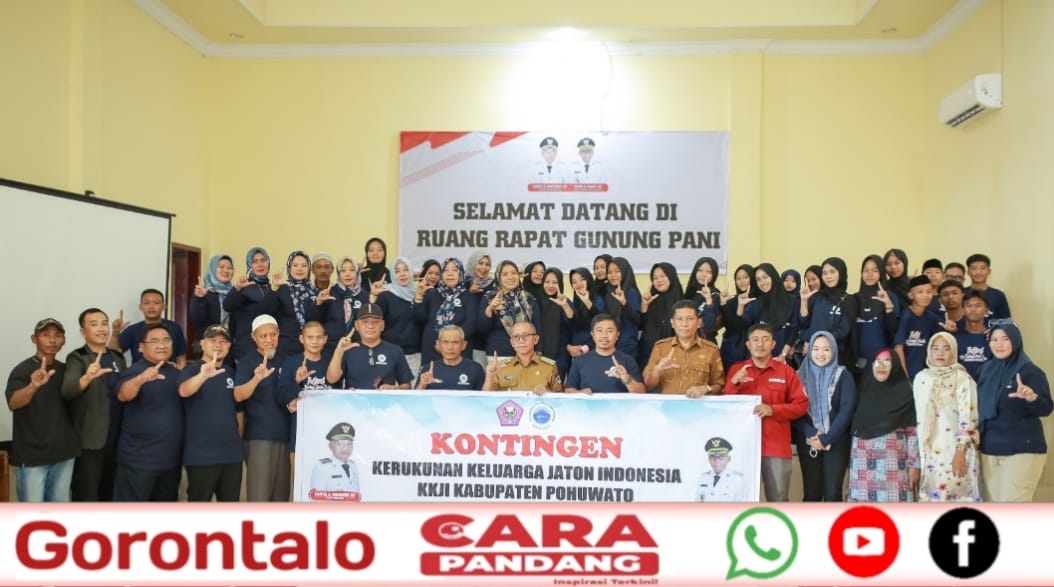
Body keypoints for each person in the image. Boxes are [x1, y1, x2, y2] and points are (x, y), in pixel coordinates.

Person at [724, 324, 809, 502]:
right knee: (739, 498)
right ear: (748, 344)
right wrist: (733, 384)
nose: (760, 344)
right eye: (755, 340)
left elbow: (801, 405)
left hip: (776, 447)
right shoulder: (737, 371)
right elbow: (726, 408)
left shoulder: (786, 372)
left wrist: (773, 410)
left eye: (765, 339)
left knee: (778, 499)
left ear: (773, 344)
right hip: (743, 448)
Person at [977, 320, 1052, 502]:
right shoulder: (985, 370)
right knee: (993, 509)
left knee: (1013, 507)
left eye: (1005, 338)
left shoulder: (1029, 371)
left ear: (1015, 340)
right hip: (989, 450)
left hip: (1021, 449)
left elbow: (1046, 408)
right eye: (994, 339)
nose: (999, 344)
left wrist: (1032, 397)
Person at [6, 318, 80, 502]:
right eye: (45, 335)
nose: (52, 340)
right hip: (33, 457)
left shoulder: (66, 370)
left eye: (57, 335)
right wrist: (33, 386)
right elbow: (13, 403)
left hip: (64, 454)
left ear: (64, 340)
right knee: (33, 514)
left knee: (57, 512)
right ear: (34, 339)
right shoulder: (22, 370)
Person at [61, 308, 127, 501]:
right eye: (94, 324)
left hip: (118, 439)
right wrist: (87, 378)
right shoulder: (77, 357)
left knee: (110, 495)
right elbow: (67, 391)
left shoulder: (117, 357)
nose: (101, 328)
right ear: (83, 331)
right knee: (87, 497)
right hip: (90, 442)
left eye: (104, 323)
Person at [113, 323, 184, 501]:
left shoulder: (176, 372)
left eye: (166, 340)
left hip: (170, 462)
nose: (162, 345)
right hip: (139, 461)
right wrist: (142, 378)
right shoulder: (135, 371)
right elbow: (123, 395)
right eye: (154, 341)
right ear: (141, 347)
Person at [178, 324, 243, 502]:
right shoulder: (191, 370)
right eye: (212, 340)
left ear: (229, 346)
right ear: (202, 343)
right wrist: (203, 376)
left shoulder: (232, 372)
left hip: (231, 456)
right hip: (201, 456)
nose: (218, 345)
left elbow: (239, 411)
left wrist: (237, 441)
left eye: (223, 341)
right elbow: (184, 391)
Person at [913, 332, 980, 502]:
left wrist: (961, 450)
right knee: (929, 500)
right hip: (926, 452)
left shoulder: (962, 378)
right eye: (935, 348)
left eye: (946, 348)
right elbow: (916, 418)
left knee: (954, 498)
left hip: (954, 451)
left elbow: (969, 416)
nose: (940, 353)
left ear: (954, 351)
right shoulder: (921, 378)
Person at [847, 349, 919, 502]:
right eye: (877, 362)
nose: (881, 366)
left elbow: (913, 432)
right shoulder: (864, 388)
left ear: (896, 366)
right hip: (862, 464)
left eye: (887, 362)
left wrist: (914, 465)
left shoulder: (905, 393)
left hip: (894, 468)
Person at [793, 331, 857, 502]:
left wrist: (826, 439)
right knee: (812, 494)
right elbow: (795, 410)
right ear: (809, 351)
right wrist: (811, 433)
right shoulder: (798, 377)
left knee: (832, 494)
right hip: (809, 441)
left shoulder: (844, 376)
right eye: (816, 349)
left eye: (826, 349)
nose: (820, 354)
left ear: (834, 351)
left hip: (836, 441)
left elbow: (846, 411)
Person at [234, 314, 289, 502]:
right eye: (263, 336)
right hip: (259, 436)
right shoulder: (247, 362)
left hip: (285, 435)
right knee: (260, 497)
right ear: (253, 337)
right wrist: (256, 378)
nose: (269, 340)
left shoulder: (286, 359)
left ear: (278, 333)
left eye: (272, 334)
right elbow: (238, 395)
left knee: (281, 497)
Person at [276, 321, 332, 473]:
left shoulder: (330, 363)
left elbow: (337, 394)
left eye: (318, 337)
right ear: (302, 339)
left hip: (326, 436)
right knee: (299, 481)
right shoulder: (290, 363)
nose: (314, 341)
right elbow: (280, 397)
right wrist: (296, 382)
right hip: (299, 435)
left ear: (325, 339)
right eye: (310, 337)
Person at [642, 300, 724, 396]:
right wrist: (657, 371)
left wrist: (706, 388)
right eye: (679, 319)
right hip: (667, 405)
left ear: (699, 323)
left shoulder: (711, 350)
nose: (684, 324)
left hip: (698, 404)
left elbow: (719, 386)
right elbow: (648, 386)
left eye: (689, 319)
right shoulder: (660, 347)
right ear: (672, 323)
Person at [327, 303, 413, 390]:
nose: (370, 326)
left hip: (385, 399)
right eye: (365, 322)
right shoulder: (347, 350)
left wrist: (394, 388)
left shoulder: (395, 351)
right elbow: (331, 379)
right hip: (354, 399)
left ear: (382, 325)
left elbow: (407, 386)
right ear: (357, 325)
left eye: (375, 322)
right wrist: (338, 351)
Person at [797, 257, 857, 370]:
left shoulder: (849, 300)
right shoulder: (817, 297)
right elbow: (804, 324)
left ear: (841, 273)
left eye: (832, 272)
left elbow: (844, 331)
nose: (828, 276)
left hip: (836, 357)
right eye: (824, 273)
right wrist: (804, 301)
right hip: (813, 356)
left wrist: (817, 343)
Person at [417, 257, 478, 366]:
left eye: (454, 270)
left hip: (459, 351)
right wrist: (419, 297)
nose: (450, 274)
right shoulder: (431, 293)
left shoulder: (469, 297)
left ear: (461, 274)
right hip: (433, 349)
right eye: (446, 270)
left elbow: (471, 324)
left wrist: (447, 342)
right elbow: (419, 318)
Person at [564, 314, 645, 394]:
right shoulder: (580, 361)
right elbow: (568, 390)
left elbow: (642, 393)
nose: (604, 335)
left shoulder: (627, 360)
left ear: (617, 335)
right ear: (592, 334)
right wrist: (580, 393)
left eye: (609, 331)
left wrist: (626, 378)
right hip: (589, 403)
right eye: (599, 330)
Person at [224, 247, 280, 361]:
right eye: (255, 261)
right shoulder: (244, 287)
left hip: (270, 348)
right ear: (249, 264)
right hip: (246, 349)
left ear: (268, 263)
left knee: (270, 372)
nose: (260, 264)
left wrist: (274, 289)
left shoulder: (272, 287)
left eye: (263, 260)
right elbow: (228, 306)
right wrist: (237, 288)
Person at [373, 256, 424, 377]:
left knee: (412, 389)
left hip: (414, 355)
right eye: (397, 271)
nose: (402, 274)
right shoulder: (385, 295)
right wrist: (372, 296)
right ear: (392, 274)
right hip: (389, 354)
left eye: (406, 269)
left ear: (411, 272)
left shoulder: (419, 294)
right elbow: (375, 323)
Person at [111, 289, 188, 368]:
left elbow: (181, 356)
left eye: (156, 303)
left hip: (168, 373)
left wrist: (180, 373)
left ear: (164, 307)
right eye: (147, 303)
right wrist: (115, 334)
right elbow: (113, 354)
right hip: (140, 373)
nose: (151, 307)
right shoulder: (132, 330)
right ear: (140, 307)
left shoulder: (174, 328)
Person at [479, 259, 541, 359]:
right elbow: (482, 329)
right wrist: (490, 309)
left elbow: (538, 329)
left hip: (526, 355)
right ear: (498, 277)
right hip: (499, 355)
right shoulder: (490, 297)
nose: (510, 277)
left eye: (513, 273)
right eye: (505, 274)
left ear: (518, 275)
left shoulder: (528, 298)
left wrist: (538, 353)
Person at [482, 321, 562, 395]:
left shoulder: (549, 367)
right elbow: (486, 399)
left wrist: (547, 392)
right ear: (512, 342)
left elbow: (561, 398)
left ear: (535, 339)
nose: (521, 341)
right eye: (516, 336)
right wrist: (490, 376)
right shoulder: (500, 367)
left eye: (526, 335)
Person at [740, 263, 797, 362]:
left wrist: (783, 354)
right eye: (758, 279)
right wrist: (741, 306)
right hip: (759, 360)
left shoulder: (791, 301)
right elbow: (741, 326)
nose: (762, 282)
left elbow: (794, 328)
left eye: (765, 277)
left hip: (782, 359)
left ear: (773, 276)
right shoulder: (755, 303)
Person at [854, 254, 899, 374]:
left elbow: (893, 330)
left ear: (882, 273)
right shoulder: (854, 299)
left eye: (875, 270)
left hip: (882, 362)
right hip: (858, 363)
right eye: (866, 270)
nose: (869, 274)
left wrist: (888, 306)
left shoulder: (890, 297)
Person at [894, 275, 944, 380]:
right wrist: (904, 378)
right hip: (908, 375)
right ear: (911, 295)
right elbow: (898, 348)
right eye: (920, 292)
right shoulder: (905, 317)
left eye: (929, 292)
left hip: (926, 376)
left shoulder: (932, 318)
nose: (925, 296)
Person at [594, 257, 642, 360]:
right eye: (609, 272)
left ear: (624, 272)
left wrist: (624, 303)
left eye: (617, 271)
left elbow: (639, 321)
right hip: (608, 346)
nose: (613, 275)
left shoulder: (630, 292)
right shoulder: (607, 292)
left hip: (626, 347)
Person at [274, 250, 321, 357]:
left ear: (309, 268)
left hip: (311, 346)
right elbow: (267, 311)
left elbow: (317, 320)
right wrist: (273, 288)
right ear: (289, 268)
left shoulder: (315, 292)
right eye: (295, 265)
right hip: (286, 347)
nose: (299, 269)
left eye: (303, 265)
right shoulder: (281, 289)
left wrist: (318, 303)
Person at [317, 255, 368, 354]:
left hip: (357, 346)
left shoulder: (364, 295)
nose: (347, 274)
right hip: (331, 348)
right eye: (343, 270)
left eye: (352, 270)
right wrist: (319, 303)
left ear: (357, 272)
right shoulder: (329, 293)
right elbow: (315, 319)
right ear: (338, 273)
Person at [640, 262, 684, 366]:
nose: (659, 280)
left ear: (671, 277)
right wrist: (645, 306)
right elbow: (641, 326)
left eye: (662, 276)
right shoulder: (650, 299)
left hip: (675, 355)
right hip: (648, 355)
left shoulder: (682, 302)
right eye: (655, 278)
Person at [417, 325, 486, 391]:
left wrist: (490, 375)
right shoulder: (428, 369)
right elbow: (415, 397)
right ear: (438, 344)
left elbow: (485, 397)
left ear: (463, 345)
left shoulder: (475, 369)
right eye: (445, 342)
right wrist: (423, 383)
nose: (450, 347)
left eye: (455, 342)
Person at [536, 267, 575, 376]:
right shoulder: (536, 302)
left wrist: (564, 305)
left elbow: (572, 322)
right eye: (547, 282)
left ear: (560, 284)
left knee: (556, 385)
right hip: (538, 356)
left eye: (555, 282)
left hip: (560, 357)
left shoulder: (565, 301)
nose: (550, 285)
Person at [190, 253, 235, 340]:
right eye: (221, 267)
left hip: (229, 344)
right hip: (207, 343)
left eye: (230, 268)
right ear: (213, 269)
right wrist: (201, 299)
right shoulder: (203, 291)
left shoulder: (234, 293)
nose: (226, 270)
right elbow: (197, 321)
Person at [309, 422, 361, 496]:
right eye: (340, 444)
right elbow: (316, 497)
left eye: (349, 444)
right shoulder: (322, 467)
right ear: (330, 446)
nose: (345, 448)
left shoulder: (353, 466)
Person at [719, 264, 754, 370]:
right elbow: (731, 327)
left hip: (752, 351)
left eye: (745, 277)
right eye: (738, 278)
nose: (742, 281)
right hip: (732, 352)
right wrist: (723, 304)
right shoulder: (731, 301)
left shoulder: (758, 301)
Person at [954, 291, 992, 381]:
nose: (973, 309)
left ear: (986, 310)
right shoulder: (954, 337)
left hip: (986, 385)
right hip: (960, 386)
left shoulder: (993, 337)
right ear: (962, 310)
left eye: (978, 306)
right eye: (969, 306)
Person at [684, 257, 722, 344]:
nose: (703, 274)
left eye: (708, 272)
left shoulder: (714, 294)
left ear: (714, 274)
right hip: (686, 343)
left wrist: (708, 300)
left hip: (705, 344)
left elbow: (709, 324)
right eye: (700, 270)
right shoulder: (690, 292)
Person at [696, 437, 747, 502]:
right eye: (713, 457)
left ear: (729, 459)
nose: (717, 461)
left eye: (721, 457)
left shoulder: (738, 479)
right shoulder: (703, 478)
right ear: (709, 459)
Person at [964, 253, 1011, 321]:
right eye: (974, 268)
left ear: (989, 271)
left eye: (983, 268)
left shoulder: (998, 295)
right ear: (968, 272)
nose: (978, 272)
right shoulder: (961, 293)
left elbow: (1005, 321)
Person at [566, 267, 598, 361]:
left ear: (588, 279)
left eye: (582, 279)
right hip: (579, 353)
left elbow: (602, 321)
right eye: (574, 282)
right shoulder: (576, 302)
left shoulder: (598, 298)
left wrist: (586, 301)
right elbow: (576, 326)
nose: (578, 284)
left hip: (594, 351)